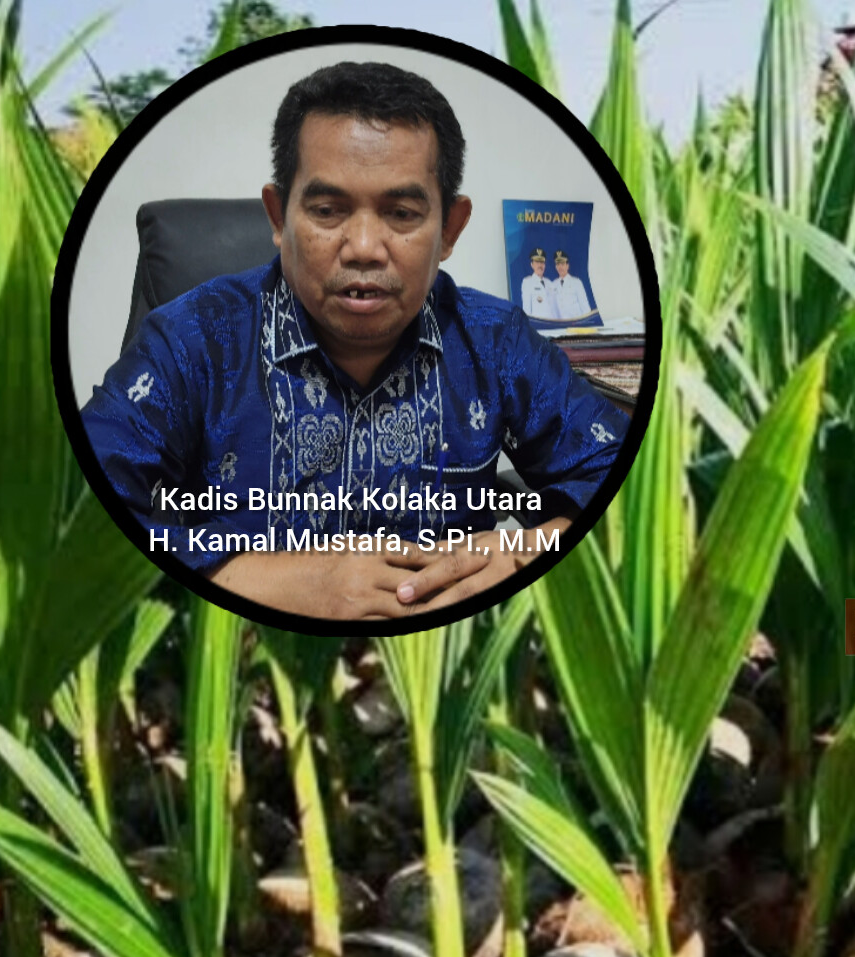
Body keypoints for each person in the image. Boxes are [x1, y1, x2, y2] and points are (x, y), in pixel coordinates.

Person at [81, 60, 631, 620]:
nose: (364, 247)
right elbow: (76, 509)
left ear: (449, 229)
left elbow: (623, 476)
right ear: (279, 217)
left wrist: (524, 553)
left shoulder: (495, 340)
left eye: (401, 213)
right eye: (327, 211)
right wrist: (253, 580)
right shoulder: (194, 338)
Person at [548, 248, 594, 322]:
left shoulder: (576, 282)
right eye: (558, 264)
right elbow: (552, 308)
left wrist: (587, 322)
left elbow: (585, 306)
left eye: (562, 264)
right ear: (556, 267)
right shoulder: (553, 284)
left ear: (567, 266)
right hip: (561, 323)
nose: (560, 267)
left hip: (577, 322)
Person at [519, 247, 552, 319]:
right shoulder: (527, 282)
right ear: (532, 264)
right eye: (537, 262)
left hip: (552, 322)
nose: (540, 265)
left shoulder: (549, 283)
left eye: (542, 262)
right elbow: (527, 309)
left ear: (545, 265)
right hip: (538, 324)